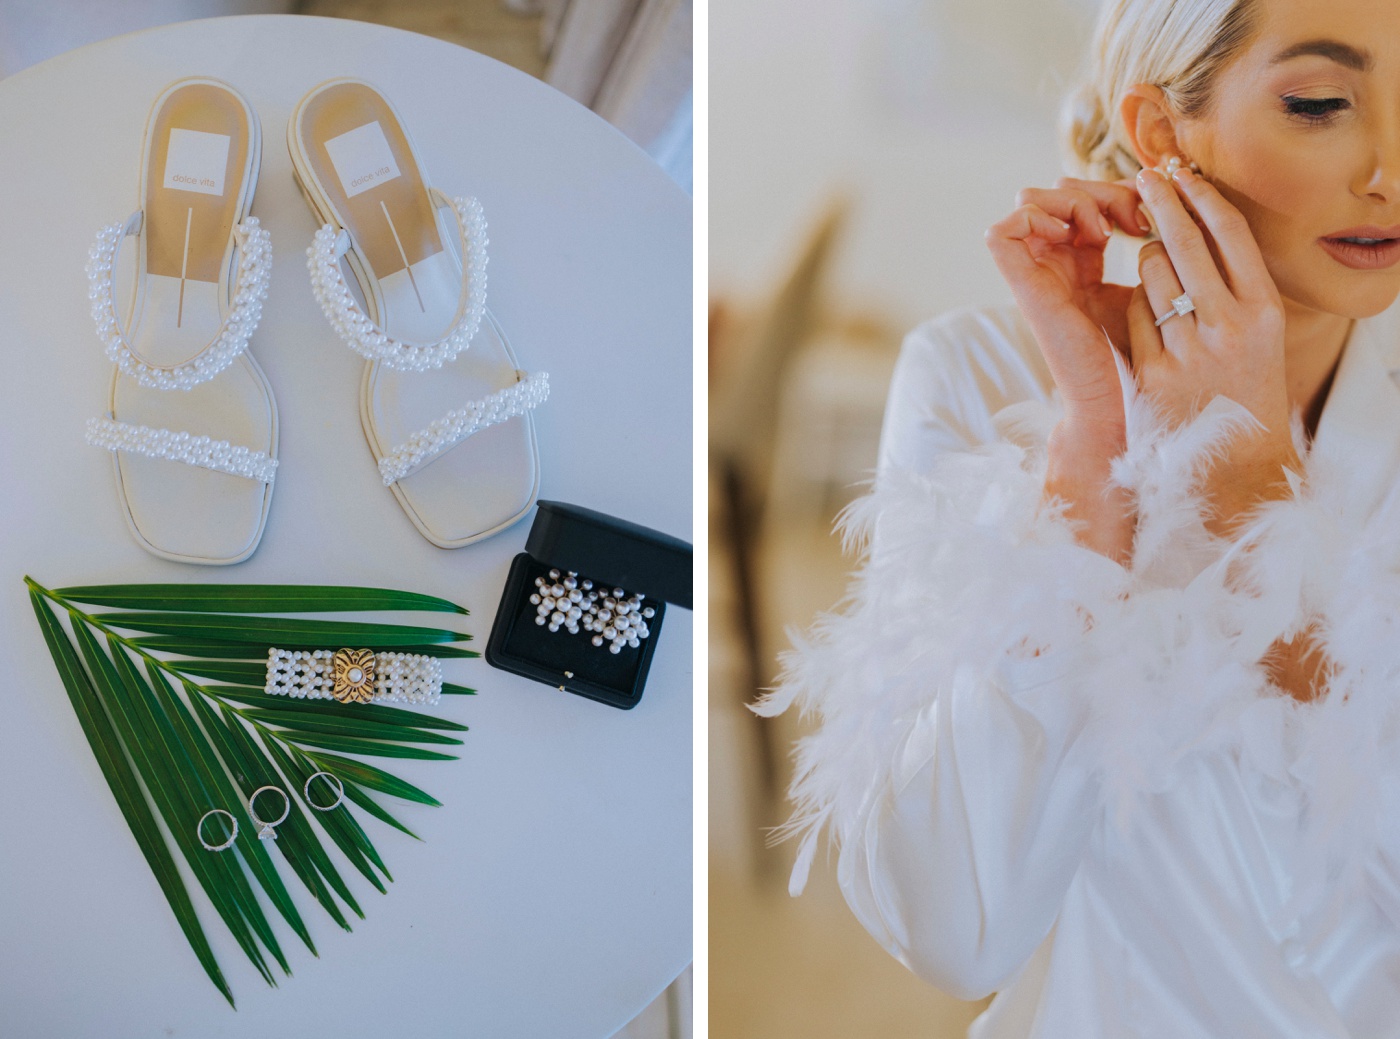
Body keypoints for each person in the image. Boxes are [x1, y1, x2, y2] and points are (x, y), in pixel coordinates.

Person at [755, 0, 1400, 1034]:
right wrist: (1080, 479)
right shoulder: (978, 380)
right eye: (1320, 104)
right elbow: (952, 931)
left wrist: (1253, 504)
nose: (1389, 168)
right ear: (1159, 134)